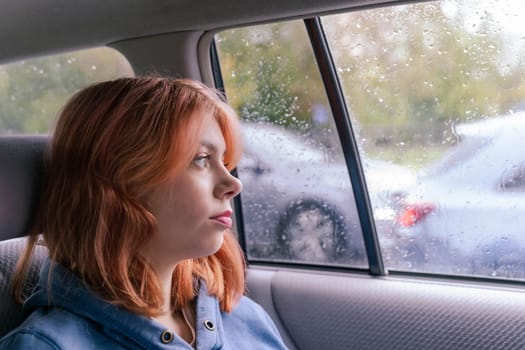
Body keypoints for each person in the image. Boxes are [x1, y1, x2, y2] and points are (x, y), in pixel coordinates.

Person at [0, 77, 288, 349]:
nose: (233, 184)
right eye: (201, 159)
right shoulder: (48, 344)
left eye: (225, 161)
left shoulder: (246, 317)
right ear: (120, 181)